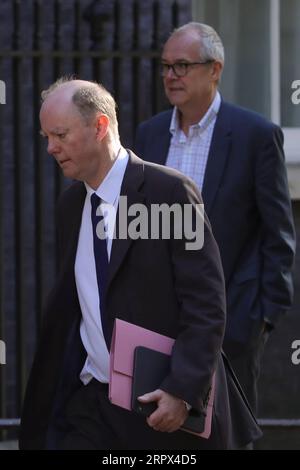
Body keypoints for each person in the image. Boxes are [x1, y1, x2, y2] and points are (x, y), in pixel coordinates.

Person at [19, 77, 261, 450]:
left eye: (61, 135)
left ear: (99, 126)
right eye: (46, 137)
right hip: (91, 407)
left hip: (161, 408)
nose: (51, 148)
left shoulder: (168, 193)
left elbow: (205, 303)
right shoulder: (72, 206)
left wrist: (182, 390)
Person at [135, 22, 296, 416]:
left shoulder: (254, 135)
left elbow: (279, 235)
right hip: (160, 319)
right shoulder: (149, 135)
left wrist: (259, 320)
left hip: (232, 323)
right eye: (166, 66)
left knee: (228, 432)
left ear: (215, 70)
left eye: (182, 66)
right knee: (158, 430)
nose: (170, 76)